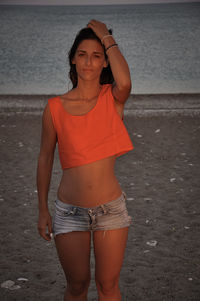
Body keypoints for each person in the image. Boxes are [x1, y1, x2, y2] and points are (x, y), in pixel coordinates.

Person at [37, 19, 134, 301]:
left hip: (111, 212)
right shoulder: (55, 108)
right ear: (73, 59)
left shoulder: (112, 99)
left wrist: (106, 36)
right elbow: (44, 159)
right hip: (69, 213)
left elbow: (125, 81)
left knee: (108, 287)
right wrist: (43, 209)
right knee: (77, 287)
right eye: (82, 55)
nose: (88, 62)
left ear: (105, 62)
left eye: (96, 56)